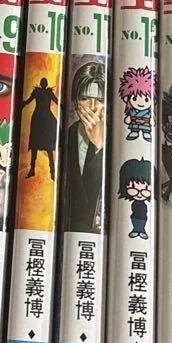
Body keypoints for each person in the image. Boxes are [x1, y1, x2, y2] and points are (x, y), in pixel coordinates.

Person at [62, 62, 106, 232]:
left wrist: (99, 146)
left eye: (100, 100)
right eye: (85, 99)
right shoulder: (67, 134)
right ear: (75, 101)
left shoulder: (116, 138)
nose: (93, 107)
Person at [21, 75, 59, 179]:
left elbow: (27, 102)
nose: (44, 84)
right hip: (41, 119)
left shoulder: (42, 92)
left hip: (41, 119)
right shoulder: (41, 92)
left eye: (44, 82)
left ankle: (51, 172)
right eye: (43, 82)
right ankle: (37, 170)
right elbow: (58, 102)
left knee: (43, 145)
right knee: (39, 145)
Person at [118, 158, 152, 239]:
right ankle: (136, 230)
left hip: (142, 216)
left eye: (145, 189)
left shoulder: (144, 205)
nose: (139, 194)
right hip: (135, 215)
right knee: (135, 218)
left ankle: (142, 230)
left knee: (142, 218)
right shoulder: (134, 203)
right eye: (133, 189)